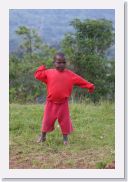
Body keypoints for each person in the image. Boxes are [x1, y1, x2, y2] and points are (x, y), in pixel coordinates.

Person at [34, 52, 95, 145]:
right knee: (47, 120)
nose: (61, 64)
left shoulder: (70, 75)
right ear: (54, 63)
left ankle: (65, 139)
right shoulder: (49, 73)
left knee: (65, 121)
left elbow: (81, 81)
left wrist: (89, 86)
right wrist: (42, 67)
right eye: (58, 62)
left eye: (63, 62)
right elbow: (38, 75)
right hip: (51, 103)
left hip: (63, 103)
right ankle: (43, 136)